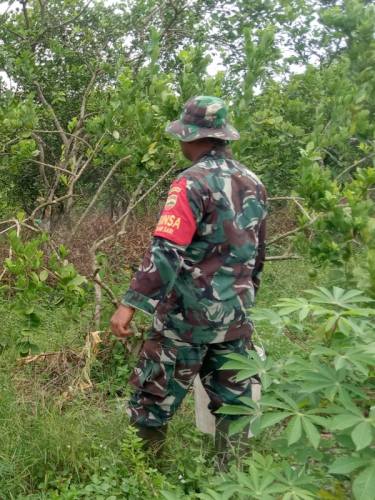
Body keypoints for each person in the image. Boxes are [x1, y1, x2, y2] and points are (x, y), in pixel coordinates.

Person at [109, 96, 268, 471]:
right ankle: (230, 484)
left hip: (185, 321)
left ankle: (148, 482)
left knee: (150, 403)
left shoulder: (189, 182)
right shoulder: (254, 182)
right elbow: (257, 254)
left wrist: (130, 303)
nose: (179, 144)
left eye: (182, 137)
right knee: (235, 406)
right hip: (235, 319)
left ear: (194, 139)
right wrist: (243, 302)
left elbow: (166, 251)